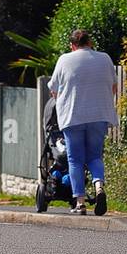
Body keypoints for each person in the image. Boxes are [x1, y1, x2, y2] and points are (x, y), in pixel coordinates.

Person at [47, 29, 117, 214]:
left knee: (75, 160)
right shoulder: (105, 58)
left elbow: (53, 89)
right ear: (90, 43)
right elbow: (113, 87)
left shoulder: (64, 59)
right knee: (95, 156)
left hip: (73, 116)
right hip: (99, 115)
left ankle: (80, 202)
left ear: (72, 45)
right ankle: (99, 186)